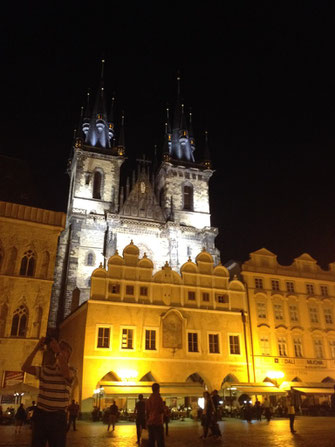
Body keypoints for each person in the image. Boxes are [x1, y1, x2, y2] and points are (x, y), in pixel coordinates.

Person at [21, 336, 75, 447]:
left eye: (63, 350)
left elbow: (65, 374)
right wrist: (37, 348)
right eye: (59, 349)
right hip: (41, 415)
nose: (59, 351)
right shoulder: (46, 369)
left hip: (58, 417)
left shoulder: (71, 370)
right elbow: (25, 367)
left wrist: (58, 352)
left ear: (68, 355)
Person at [145, 382, 165, 447]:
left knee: (151, 440)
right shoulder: (159, 398)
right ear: (158, 389)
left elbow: (147, 411)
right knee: (160, 441)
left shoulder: (149, 399)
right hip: (157, 421)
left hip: (150, 422)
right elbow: (161, 410)